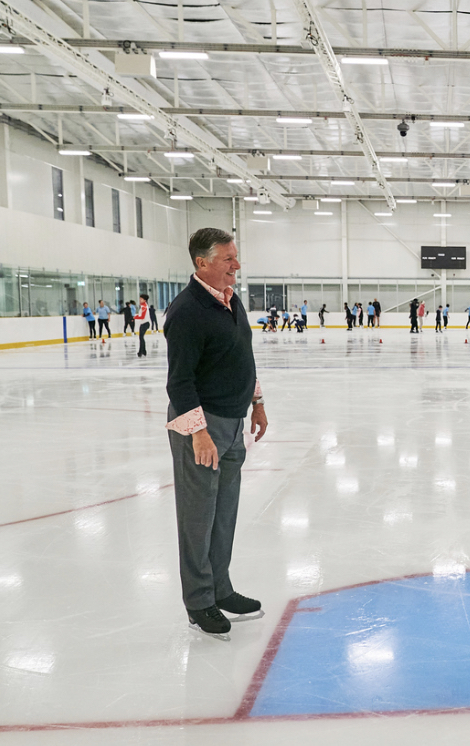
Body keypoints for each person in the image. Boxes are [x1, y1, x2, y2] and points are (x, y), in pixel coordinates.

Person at [164, 227, 268, 640]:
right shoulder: (187, 311)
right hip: (203, 429)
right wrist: (199, 434)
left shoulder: (228, 300)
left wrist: (257, 401)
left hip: (233, 422)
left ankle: (220, 588)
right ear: (202, 263)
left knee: (223, 515)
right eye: (228, 259)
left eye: (236, 257)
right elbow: (179, 382)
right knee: (197, 518)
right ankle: (198, 601)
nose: (236, 266)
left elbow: (243, 354)